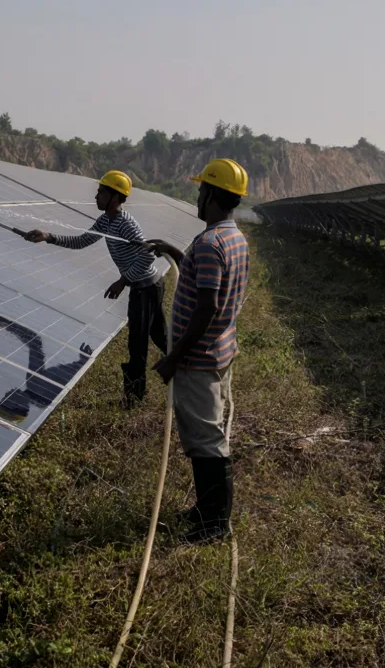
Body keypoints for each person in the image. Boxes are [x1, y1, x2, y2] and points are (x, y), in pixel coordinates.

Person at [146, 158, 250, 544]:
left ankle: (214, 524)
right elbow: (204, 276)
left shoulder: (209, 244)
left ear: (212, 195)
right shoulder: (233, 239)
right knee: (210, 434)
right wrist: (172, 250)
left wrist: (174, 359)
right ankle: (207, 510)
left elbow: (208, 307)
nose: (197, 196)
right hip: (219, 353)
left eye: (201, 189)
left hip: (198, 360)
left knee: (206, 441)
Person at [23, 170, 168, 405]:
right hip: (145, 285)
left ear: (115, 197)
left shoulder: (125, 224)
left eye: (101, 192)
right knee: (159, 336)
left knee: (138, 344)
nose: (96, 196)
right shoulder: (105, 221)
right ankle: (187, 369)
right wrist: (48, 237)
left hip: (146, 287)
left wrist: (123, 281)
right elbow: (82, 241)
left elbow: (148, 255)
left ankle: (133, 399)